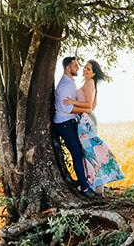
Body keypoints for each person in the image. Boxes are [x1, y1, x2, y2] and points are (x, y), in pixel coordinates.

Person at [63, 59, 126, 194]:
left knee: (90, 152)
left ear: (93, 74)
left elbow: (89, 107)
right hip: (84, 120)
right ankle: (98, 183)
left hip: (86, 121)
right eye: (85, 67)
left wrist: (71, 102)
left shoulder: (89, 84)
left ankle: (97, 185)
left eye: (88, 69)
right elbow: (92, 104)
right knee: (89, 152)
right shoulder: (89, 83)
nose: (85, 70)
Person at [53, 55, 93, 196]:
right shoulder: (65, 86)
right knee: (76, 153)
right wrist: (85, 109)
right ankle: (84, 188)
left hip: (69, 122)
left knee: (81, 152)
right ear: (68, 68)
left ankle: (89, 183)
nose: (78, 68)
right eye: (75, 66)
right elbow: (67, 109)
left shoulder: (70, 82)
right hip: (64, 123)